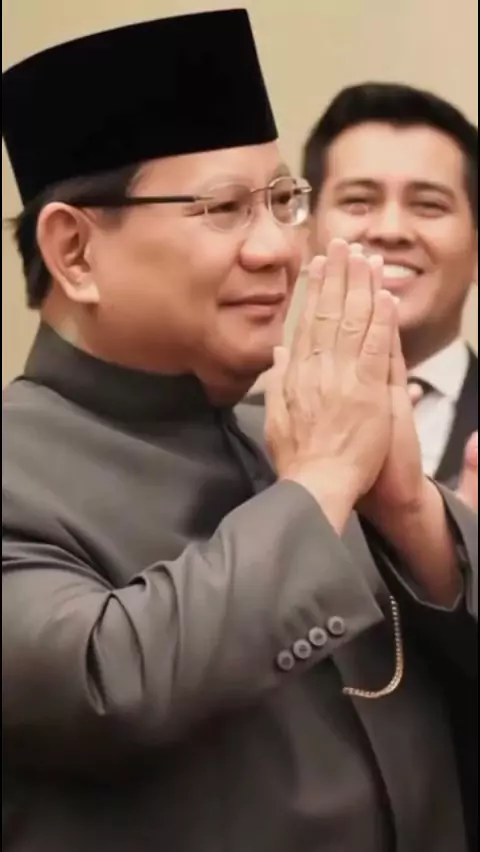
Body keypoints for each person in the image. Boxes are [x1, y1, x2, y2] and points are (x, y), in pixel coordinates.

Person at [2, 13, 477, 852]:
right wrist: (319, 484)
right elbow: (104, 686)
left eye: (283, 202)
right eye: (224, 208)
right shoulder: (21, 468)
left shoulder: (286, 431)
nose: (278, 251)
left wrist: (411, 513)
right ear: (74, 252)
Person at [302, 83, 478, 496]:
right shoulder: (235, 436)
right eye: (358, 202)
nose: (391, 230)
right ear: (307, 237)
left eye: (429, 205)